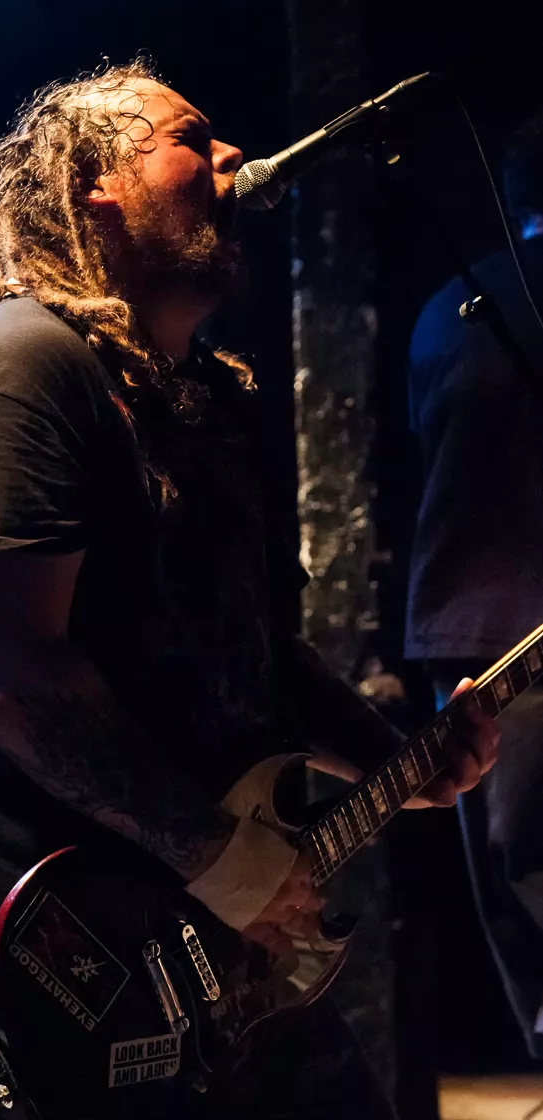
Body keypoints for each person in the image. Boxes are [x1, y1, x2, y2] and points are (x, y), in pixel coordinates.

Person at [0, 58, 498, 1118]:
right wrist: (216, 858)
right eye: (191, 139)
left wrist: (399, 761)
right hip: (56, 960)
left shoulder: (205, 399)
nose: (232, 156)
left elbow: (254, 658)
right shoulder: (20, 364)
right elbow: (6, 668)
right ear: (92, 184)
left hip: (219, 954)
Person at [404, 113, 543, 1059]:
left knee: (514, 880)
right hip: (512, 618)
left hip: (469, 625)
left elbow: (429, 442)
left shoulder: (444, 307)